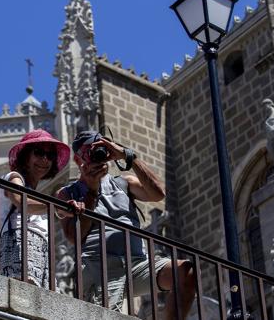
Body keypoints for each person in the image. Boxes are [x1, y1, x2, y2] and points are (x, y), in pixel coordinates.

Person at [56, 131, 195, 318]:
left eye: (101, 148)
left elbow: (158, 193)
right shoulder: (68, 193)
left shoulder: (124, 183)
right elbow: (74, 237)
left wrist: (128, 155)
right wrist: (91, 190)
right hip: (101, 266)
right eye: (90, 151)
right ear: (78, 159)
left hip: (137, 263)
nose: (98, 154)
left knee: (185, 272)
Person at [0, 129, 70, 287]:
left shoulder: (35, 192)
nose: (44, 159)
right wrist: (56, 206)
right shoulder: (14, 177)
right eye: (38, 153)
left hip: (40, 250)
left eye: (50, 156)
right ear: (26, 157)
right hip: (19, 242)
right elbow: (20, 201)